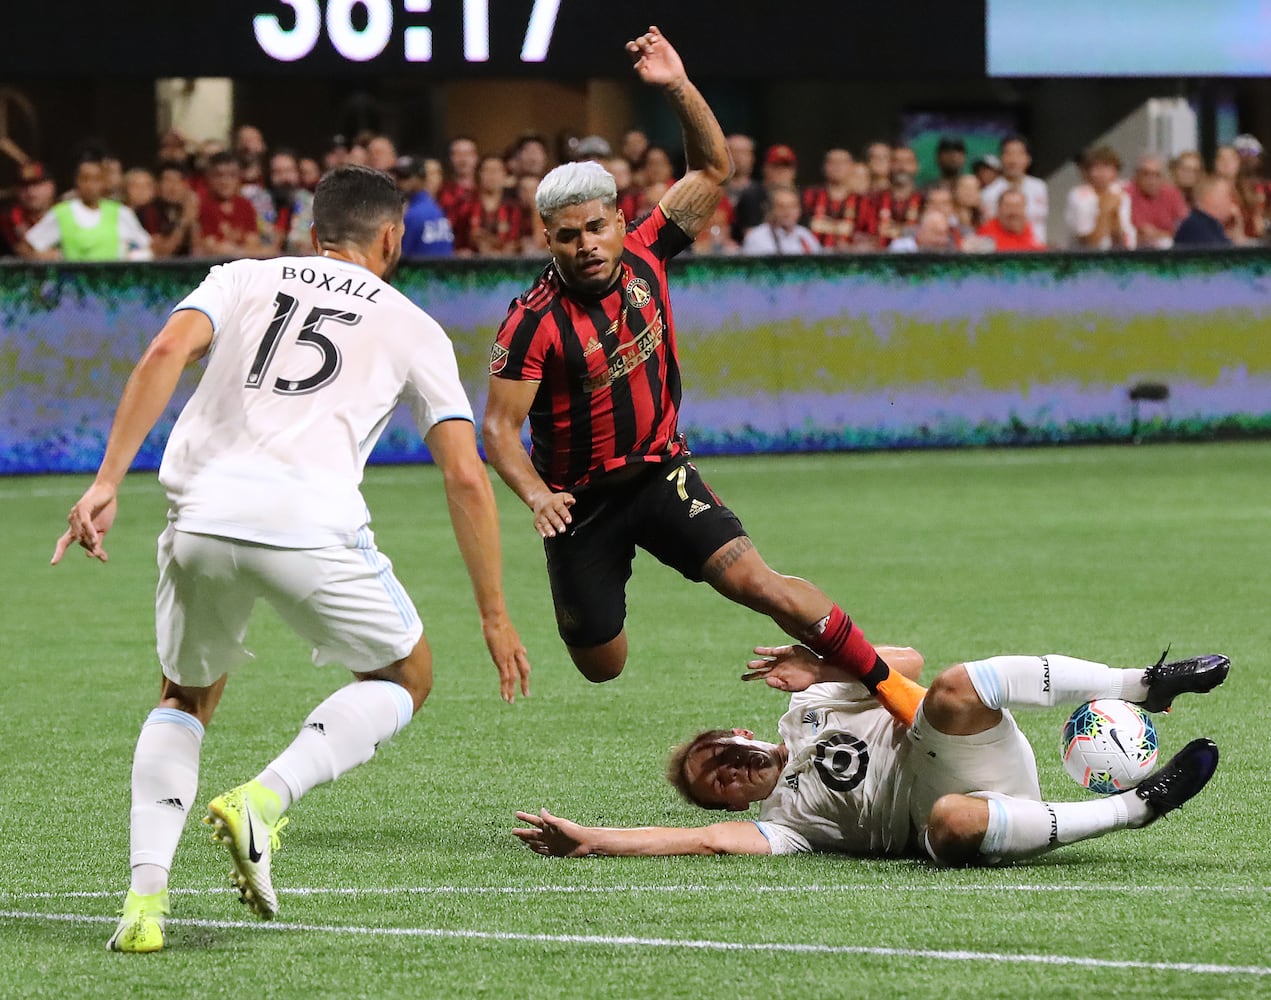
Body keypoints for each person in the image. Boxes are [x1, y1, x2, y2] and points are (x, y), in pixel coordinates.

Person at [51, 164, 530, 952]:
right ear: (390, 239)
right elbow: (464, 475)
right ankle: (265, 800)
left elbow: (165, 350)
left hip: (199, 519)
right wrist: (494, 613)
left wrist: (108, 480)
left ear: (312, 235)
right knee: (405, 676)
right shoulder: (413, 324)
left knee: (183, 698)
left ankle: (143, 906)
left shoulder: (241, 276)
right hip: (311, 529)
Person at [483, 26, 922, 727]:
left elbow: (713, 169)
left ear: (621, 222)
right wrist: (536, 496)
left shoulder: (652, 250)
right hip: (579, 506)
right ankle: (865, 658)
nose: (585, 244)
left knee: (760, 585)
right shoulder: (531, 323)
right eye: (568, 235)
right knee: (602, 663)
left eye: (596, 227)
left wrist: (678, 86)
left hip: (661, 476)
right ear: (546, 238)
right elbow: (499, 429)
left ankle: (891, 685)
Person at [514, 643, 1228, 863]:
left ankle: (1141, 685)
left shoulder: (806, 707)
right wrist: (592, 842)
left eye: (717, 756)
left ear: (735, 732)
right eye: (717, 785)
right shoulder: (785, 824)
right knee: (947, 823)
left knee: (945, 687)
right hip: (968, 814)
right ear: (731, 800)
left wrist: (824, 661)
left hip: (962, 746)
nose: (727, 774)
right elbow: (700, 841)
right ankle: (1137, 806)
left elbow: (902, 659)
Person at [19, 151, 152, 261]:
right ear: (77, 182)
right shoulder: (62, 213)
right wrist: (50, 257)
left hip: (112, 289)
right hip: (73, 289)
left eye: (96, 179)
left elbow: (149, 248)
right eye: (85, 179)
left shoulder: (121, 213)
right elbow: (26, 248)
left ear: (104, 182)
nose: (90, 185)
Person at [980, 135, 1049, 245]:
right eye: (1009, 154)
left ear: (1028, 158)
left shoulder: (1039, 187)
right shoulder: (988, 193)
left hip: (1037, 252)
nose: (1013, 160)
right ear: (1001, 158)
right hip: (1004, 254)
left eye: (1019, 154)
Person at [1065, 144, 1135, 250]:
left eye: (1107, 167)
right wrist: (1104, 210)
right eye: (1097, 167)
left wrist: (1115, 218)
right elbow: (1088, 242)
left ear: (1115, 172)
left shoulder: (1121, 195)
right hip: (1084, 257)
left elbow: (1122, 239)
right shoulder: (1078, 196)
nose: (1102, 173)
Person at [394, 155, 454, 258]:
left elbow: (400, 257)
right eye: (399, 177)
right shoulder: (437, 210)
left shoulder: (414, 214)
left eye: (407, 177)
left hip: (419, 273)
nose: (402, 183)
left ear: (421, 179)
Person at [1125, 152, 1188, 249]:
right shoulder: (1125, 194)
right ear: (1136, 176)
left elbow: (1186, 229)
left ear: (1163, 177)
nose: (1152, 180)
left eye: (1157, 175)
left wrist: (1158, 234)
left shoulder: (1172, 194)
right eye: (1146, 174)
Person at [741, 185, 820, 254]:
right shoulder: (757, 237)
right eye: (781, 207)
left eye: (792, 206)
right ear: (771, 210)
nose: (787, 212)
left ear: (799, 210)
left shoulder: (806, 236)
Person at [1172, 176, 1236, 247]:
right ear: (1211, 199)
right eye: (1227, 196)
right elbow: (1220, 254)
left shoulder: (1211, 225)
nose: (1231, 202)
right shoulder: (1194, 226)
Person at [976, 188, 1044, 251]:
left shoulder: (1029, 230)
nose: (1013, 212)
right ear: (999, 209)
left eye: (1018, 206)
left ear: (1024, 209)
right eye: (1008, 206)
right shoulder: (986, 234)